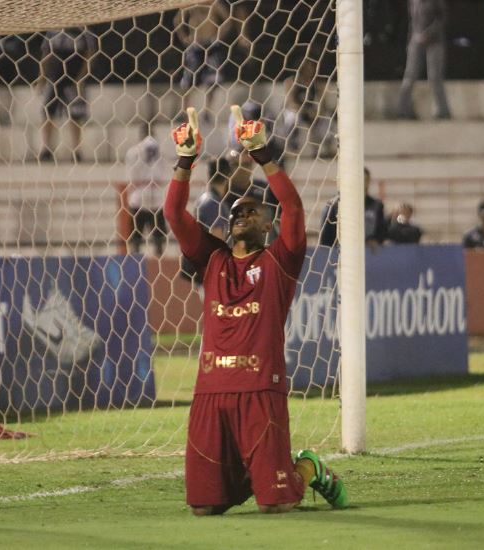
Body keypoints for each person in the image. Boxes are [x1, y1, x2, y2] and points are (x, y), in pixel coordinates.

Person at [165, 106, 347, 515]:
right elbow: (174, 215)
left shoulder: (280, 261)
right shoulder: (212, 260)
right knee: (203, 508)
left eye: (254, 211)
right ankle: (260, 475)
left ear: (268, 226)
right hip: (210, 391)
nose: (243, 214)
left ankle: (306, 468)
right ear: (227, 228)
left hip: (261, 389)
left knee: (277, 506)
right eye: (236, 213)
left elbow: (295, 209)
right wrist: (185, 161)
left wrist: (262, 154)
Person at [38, 27, 98, 162]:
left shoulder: (83, 31)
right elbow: (45, 55)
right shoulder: (52, 31)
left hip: (73, 80)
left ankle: (76, 151)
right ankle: (46, 149)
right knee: (48, 113)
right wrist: (41, 79)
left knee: (75, 116)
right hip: (54, 79)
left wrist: (81, 78)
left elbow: (90, 54)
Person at [174, 1, 246, 113]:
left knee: (213, 79)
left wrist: (218, 35)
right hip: (196, 46)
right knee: (189, 79)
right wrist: (184, 37)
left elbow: (228, 20)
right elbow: (177, 20)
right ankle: (185, 111)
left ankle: (207, 110)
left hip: (212, 45)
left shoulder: (215, 3)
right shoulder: (190, 3)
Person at [396, 0, 451, 120]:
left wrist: (428, 33)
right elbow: (413, 21)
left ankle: (442, 111)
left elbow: (442, 18)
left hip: (435, 40)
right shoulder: (413, 1)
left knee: (435, 76)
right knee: (410, 75)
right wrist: (410, 42)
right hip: (416, 39)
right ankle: (403, 109)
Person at [318, 168, 389, 249]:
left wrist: (375, 240)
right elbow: (325, 236)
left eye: (365, 179)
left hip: (367, 252)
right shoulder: (335, 205)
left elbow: (382, 231)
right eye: (358, 179)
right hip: (340, 253)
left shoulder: (376, 205)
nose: (362, 182)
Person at [125, 136, 171, 256]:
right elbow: (132, 178)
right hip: (140, 201)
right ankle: (135, 262)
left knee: (158, 239)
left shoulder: (160, 154)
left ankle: (157, 264)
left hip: (154, 202)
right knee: (136, 239)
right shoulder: (134, 153)